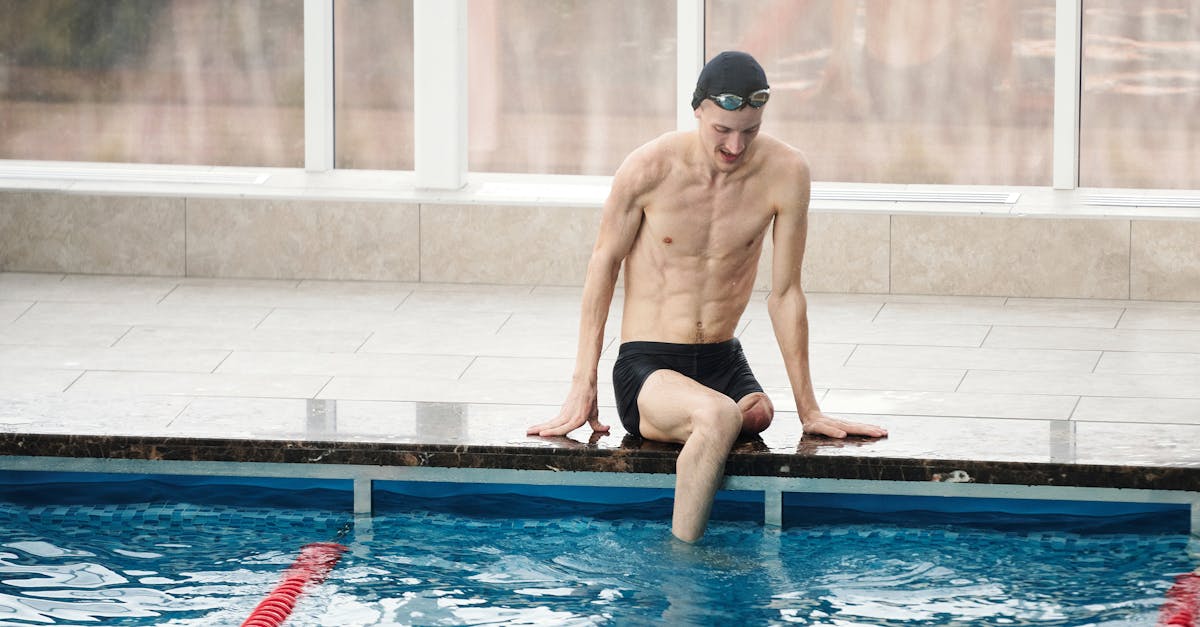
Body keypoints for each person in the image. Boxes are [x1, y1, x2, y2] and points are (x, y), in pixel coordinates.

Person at [526, 51, 887, 543]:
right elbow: (602, 267)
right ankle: (684, 568)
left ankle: (709, 430)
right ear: (697, 109)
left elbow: (785, 294)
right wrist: (581, 383)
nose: (736, 146)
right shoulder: (650, 167)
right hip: (648, 364)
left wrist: (811, 410)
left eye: (750, 131)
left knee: (758, 413)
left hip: (723, 359)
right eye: (723, 130)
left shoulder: (786, 172)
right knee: (719, 416)